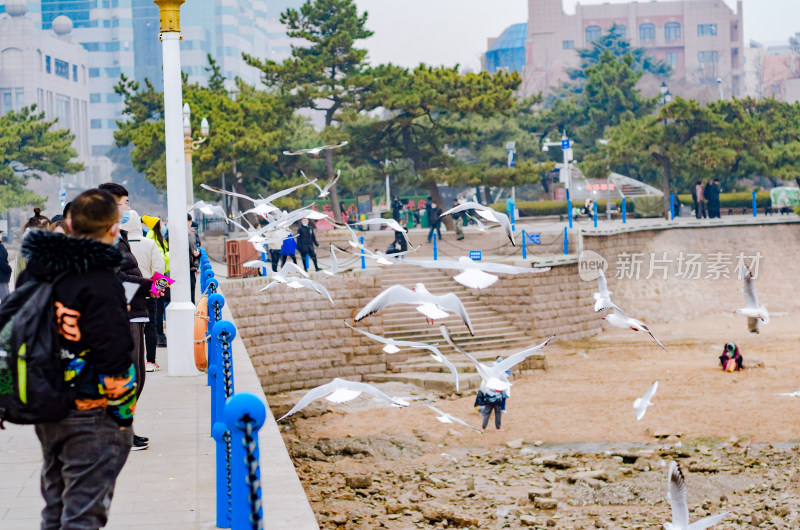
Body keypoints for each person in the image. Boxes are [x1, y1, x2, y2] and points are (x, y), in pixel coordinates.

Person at [18, 188, 137, 529]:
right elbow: (114, 353)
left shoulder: (37, 273)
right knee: (83, 514)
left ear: (69, 226)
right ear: (113, 229)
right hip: (89, 409)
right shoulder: (100, 280)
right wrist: (122, 415)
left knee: (55, 508)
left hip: (47, 407)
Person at [99, 183, 155, 451]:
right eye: (125, 203)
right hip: (122, 314)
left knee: (139, 377)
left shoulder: (116, 235)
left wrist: (150, 285)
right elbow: (116, 279)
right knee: (129, 378)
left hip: (135, 311)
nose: (128, 208)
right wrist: (147, 285)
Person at [123, 210, 165, 373]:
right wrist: (155, 289)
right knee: (151, 326)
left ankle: (130, 362)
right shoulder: (149, 243)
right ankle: (150, 361)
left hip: (128, 292)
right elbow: (159, 268)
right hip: (148, 290)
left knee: (129, 326)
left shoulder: (122, 244)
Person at [143, 215, 169, 348]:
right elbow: (160, 259)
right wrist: (172, 254)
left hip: (162, 276)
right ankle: (159, 336)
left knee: (159, 306)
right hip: (157, 277)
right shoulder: (151, 237)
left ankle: (160, 334)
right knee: (157, 308)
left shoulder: (157, 236)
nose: (163, 226)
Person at [188, 214, 201, 303]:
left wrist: (198, 253)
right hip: (184, 269)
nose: (189, 226)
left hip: (191, 268)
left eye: (189, 223)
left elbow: (197, 248)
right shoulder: (173, 235)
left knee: (192, 289)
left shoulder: (193, 235)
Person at [0, 229, 10, 303]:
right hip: (1, 277)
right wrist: (8, 269)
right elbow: (2, 262)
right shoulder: (0, 247)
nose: (1, 235)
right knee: (6, 300)